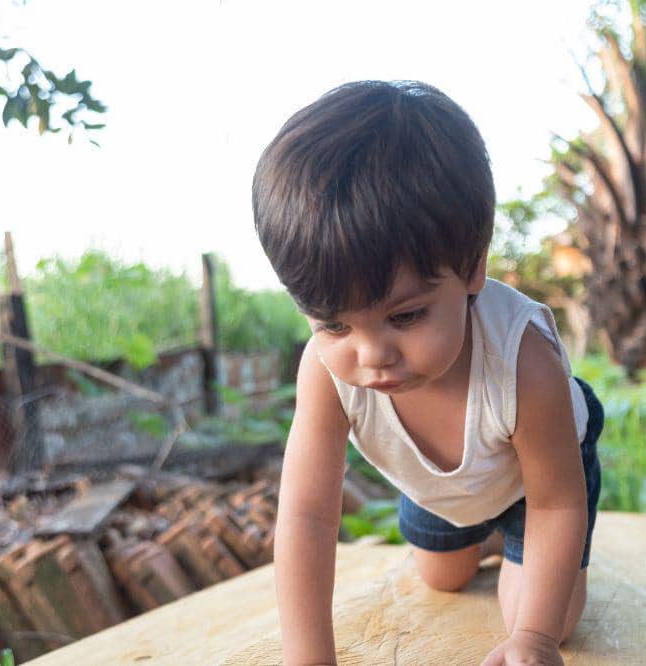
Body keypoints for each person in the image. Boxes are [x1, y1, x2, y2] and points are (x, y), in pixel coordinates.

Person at [252, 80, 604, 666]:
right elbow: (307, 516)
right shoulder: (325, 372)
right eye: (334, 324)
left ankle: (514, 543)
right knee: (442, 577)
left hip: (537, 488)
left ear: (472, 268)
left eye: (405, 316)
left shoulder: (524, 361)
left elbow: (557, 505)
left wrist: (534, 638)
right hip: (441, 489)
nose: (372, 355)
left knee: (553, 619)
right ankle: (487, 540)